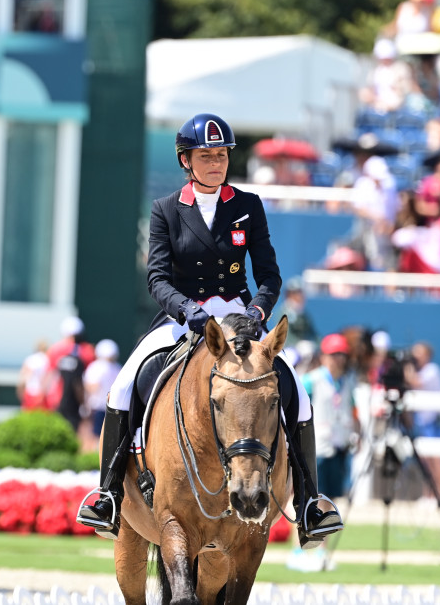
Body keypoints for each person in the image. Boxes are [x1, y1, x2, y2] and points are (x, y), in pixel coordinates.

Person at [76, 113, 343, 549]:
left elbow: (270, 275)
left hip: (239, 315)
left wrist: (258, 310)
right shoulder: (165, 210)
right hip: (182, 318)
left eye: (221, 155)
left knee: (298, 389)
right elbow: (157, 278)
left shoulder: (248, 206)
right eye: (207, 156)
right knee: (123, 384)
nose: (216, 163)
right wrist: (190, 311)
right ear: (186, 159)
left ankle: (311, 503)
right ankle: (107, 494)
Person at [300, 334, 357, 501]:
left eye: (342, 355)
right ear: (323, 356)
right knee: (316, 495)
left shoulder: (346, 382)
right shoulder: (310, 380)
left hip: (339, 444)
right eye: (334, 354)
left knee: (334, 496)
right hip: (317, 446)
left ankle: (330, 526)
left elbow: (351, 408)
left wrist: (355, 432)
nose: (338, 359)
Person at [404, 341, 440, 504]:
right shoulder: (422, 370)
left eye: (418, 353)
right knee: (426, 462)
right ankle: (428, 495)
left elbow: (415, 382)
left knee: (437, 461)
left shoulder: (432, 370)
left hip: (434, 423)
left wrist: (406, 367)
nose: (415, 357)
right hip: (423, 423)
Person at [47, 316, 96, 435]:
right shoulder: (88, 351)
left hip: (57, 399)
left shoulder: (55, 349)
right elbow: (88, 379)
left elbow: (49, 376)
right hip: (78, 400)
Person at [83, 339, 121, 450]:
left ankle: (94, 458)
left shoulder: (96, 367)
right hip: (112, 407)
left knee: (94, 435)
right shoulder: (117, 367)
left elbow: (91, 387)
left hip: (97, 406)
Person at [273, 277, 318, 348]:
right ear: (289, 294)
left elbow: (312, 333)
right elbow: (285, 335)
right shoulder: (284, 312)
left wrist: (319, 344)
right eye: (297, 292)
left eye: (301, 292)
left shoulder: (303, 313)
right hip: (288, 350)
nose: (301, 296)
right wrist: (298, 345)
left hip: (305, 348)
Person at [17, 340, 55, 410]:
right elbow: (48, 378)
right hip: (44, 394)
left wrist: (20, 393)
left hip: (30, 392)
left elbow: (23, 379)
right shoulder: (48, 359)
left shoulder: (30, 359)